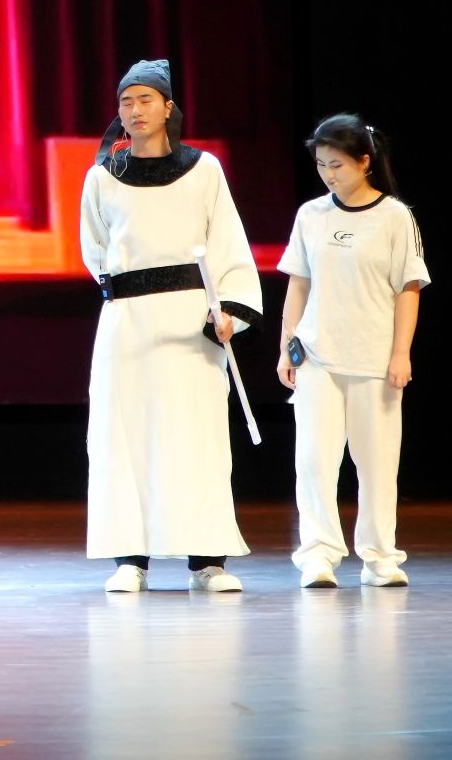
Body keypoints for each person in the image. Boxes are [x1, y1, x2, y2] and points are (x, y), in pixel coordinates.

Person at [81, 58, 262, 593]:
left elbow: (228, 241)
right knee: (125, 435)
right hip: (128, 323)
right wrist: (126, 289)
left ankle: (207, 561)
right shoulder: (103, 176)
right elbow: (95, 247)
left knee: (196, 436)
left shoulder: (204, 170)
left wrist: (229, 310)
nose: (135, 110)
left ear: (168, 108)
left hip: (190, 321)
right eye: (126, 102)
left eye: (145, 100)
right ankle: (129, 559)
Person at [276, 114, 428, 588]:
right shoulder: (311, 215)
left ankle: (380, 558)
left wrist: (401, 353)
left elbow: (408, 288)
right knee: (314, 461)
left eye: (337, 164)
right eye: (321, 165)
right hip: (317, 356)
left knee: (377, 463)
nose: (328, 174)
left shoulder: (395, 216)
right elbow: (298, 284)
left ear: (364, 161)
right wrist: (286, 346)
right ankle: (318, 555)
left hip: (373, 359)